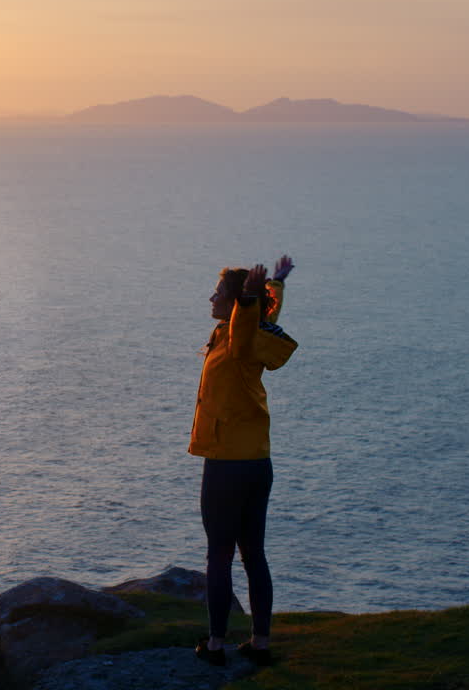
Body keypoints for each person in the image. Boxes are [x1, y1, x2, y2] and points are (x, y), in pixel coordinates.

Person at [190, 255, 297, 668]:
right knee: (254, 553)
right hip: (257, 463)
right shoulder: (250, 337)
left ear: (235, 304)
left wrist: (252, 295)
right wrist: (278, 285)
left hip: (226, 464)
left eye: (218, 292)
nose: (211, 297)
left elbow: (247, 317)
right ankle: (260, 643)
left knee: (219, 554)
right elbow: (261, 316)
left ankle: (215, 645)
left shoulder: (238, 336)